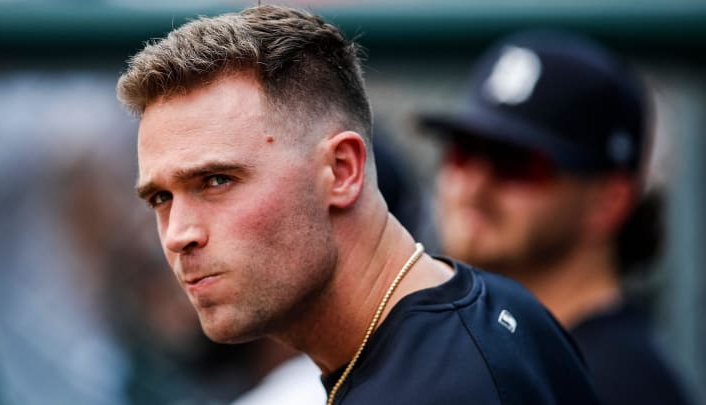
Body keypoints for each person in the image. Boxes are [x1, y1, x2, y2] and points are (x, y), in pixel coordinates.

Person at [117, 6, 599, 404]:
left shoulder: (440, 386)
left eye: (217, 180)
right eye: (160, 197)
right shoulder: (495, 309)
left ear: (343, 170)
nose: (179, 233)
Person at [421, 30, 693, 405]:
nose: (473, 187)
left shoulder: (621, 385)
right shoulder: (504, 351)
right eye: (462, 153)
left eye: (514, 163)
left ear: (608, 202)